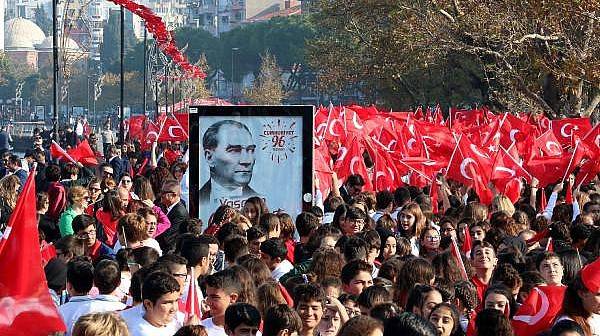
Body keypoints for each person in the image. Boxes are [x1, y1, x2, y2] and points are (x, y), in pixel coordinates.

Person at [200, 120, 259, 204]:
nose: (247, 161)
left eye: (250, 150)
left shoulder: (260, 201)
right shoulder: (198, 200)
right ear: (209, 157)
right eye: (235, 150)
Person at [121, 272, 183, 336]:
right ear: (148, 304)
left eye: (176, 300)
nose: (174, 308)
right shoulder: (135, 331)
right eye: (167, 303)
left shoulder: (178, 321)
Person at [201, 269, 242, 336]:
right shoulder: (200, 329)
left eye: (214, 297)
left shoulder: (249, 332)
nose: (208, 302)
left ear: (232, 298)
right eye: (208, 296)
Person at [158, 179, 189, 253]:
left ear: (174, 195)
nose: (160, 195)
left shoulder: (179, 213)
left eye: (163, 192)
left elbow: (168, 238)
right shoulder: (165, 207)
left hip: (170, 253)